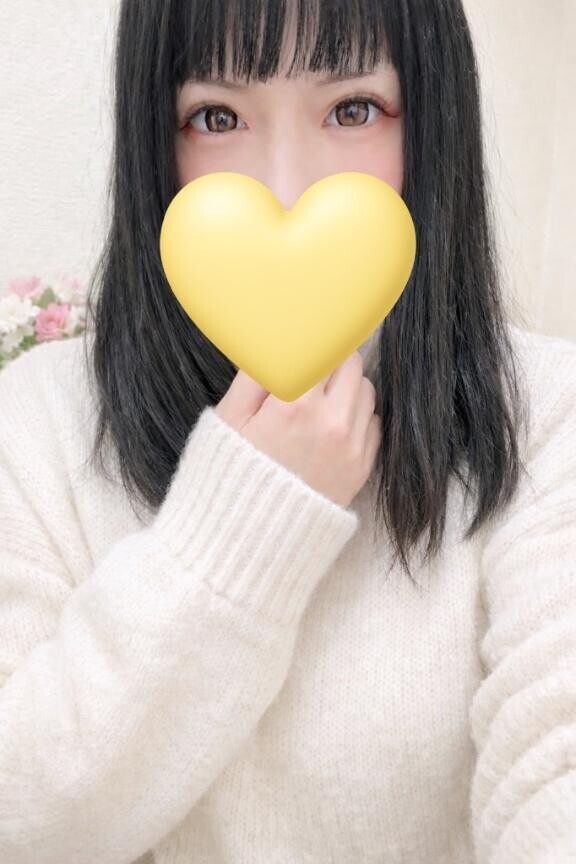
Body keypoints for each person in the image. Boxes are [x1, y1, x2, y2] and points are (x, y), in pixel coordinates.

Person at [0, 0, 575, 862]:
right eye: (216, 118)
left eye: (353, 109)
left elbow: (555, 760)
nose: (286, 187)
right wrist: (241, 522)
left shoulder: (547, 410)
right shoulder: (42, 419)